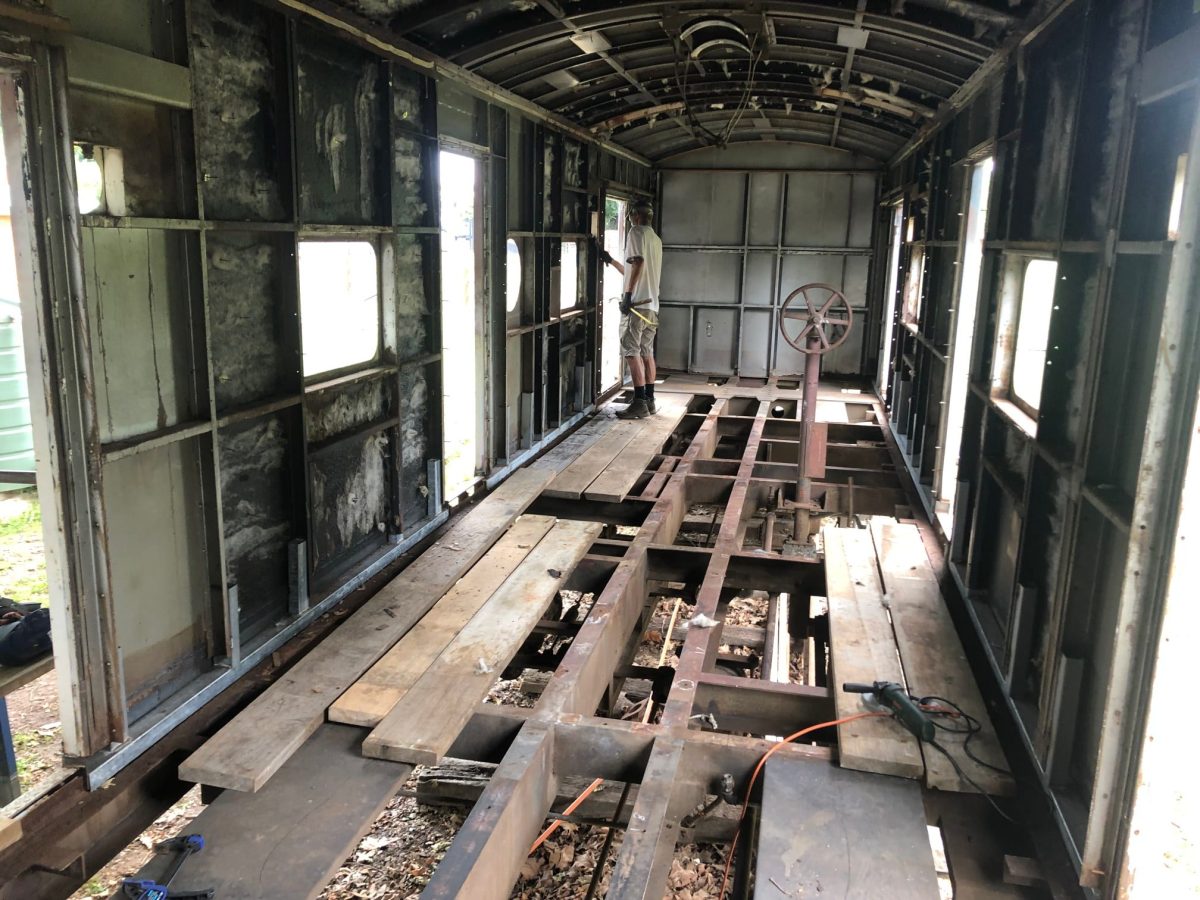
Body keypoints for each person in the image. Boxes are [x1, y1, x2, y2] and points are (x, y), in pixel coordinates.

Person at [598, 199, 662, 418]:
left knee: (630, 352)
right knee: (647, 352)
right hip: (651, 307)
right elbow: (634, 269)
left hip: (636, 307)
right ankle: (650, 400)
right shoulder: (655, 239)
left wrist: (626, 296)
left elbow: (637, 263)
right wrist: (611, 261)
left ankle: (639, 402)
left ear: (635, 215)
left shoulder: (636, 233)